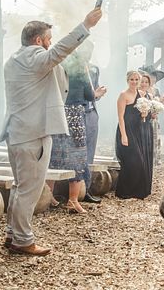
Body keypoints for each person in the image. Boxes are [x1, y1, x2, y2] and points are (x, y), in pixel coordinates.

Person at [0, 8, 102, 256]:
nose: (50, 44)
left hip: (16, 133)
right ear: (38, 40)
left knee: (20, 187)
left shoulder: (13, 60)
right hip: (33, 135)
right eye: (48, 39)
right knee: (29, 190)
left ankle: (13, 234)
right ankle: (23, 240)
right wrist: (85, 25)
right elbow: (59, 52)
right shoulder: (35, 59)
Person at [47, 52, 96, 214]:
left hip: (57, 114)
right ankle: (72, 201)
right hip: (74, 116)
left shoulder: (56, 67)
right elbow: (90, 95)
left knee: (55, 154)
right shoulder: (80, 70)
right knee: (77, 156)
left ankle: (49, 197)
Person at [115, 71, 154, 199]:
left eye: (137, 79)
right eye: (132, 79)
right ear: (128, 80)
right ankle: (124, 191)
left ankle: (138, 191)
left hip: (138, 131)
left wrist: (144, 114)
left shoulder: (142, 95)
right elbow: (120, 117)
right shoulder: (123, 95)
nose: (134, 82)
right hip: (127, 130)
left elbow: (145, 113)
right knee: (133, 161)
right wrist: (123, 135)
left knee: (141, 161)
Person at [77, 40, 106, 204]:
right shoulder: (73, 69)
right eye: (85, 50)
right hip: (77, 113)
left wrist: (98, 94)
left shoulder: (94, 69)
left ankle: (85, 189)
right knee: (77, 151)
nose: (87, 53)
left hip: (92, 113)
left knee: (90, 152)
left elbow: (94, 92)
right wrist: (94, 94)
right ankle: (73, 191)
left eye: (90, 50)